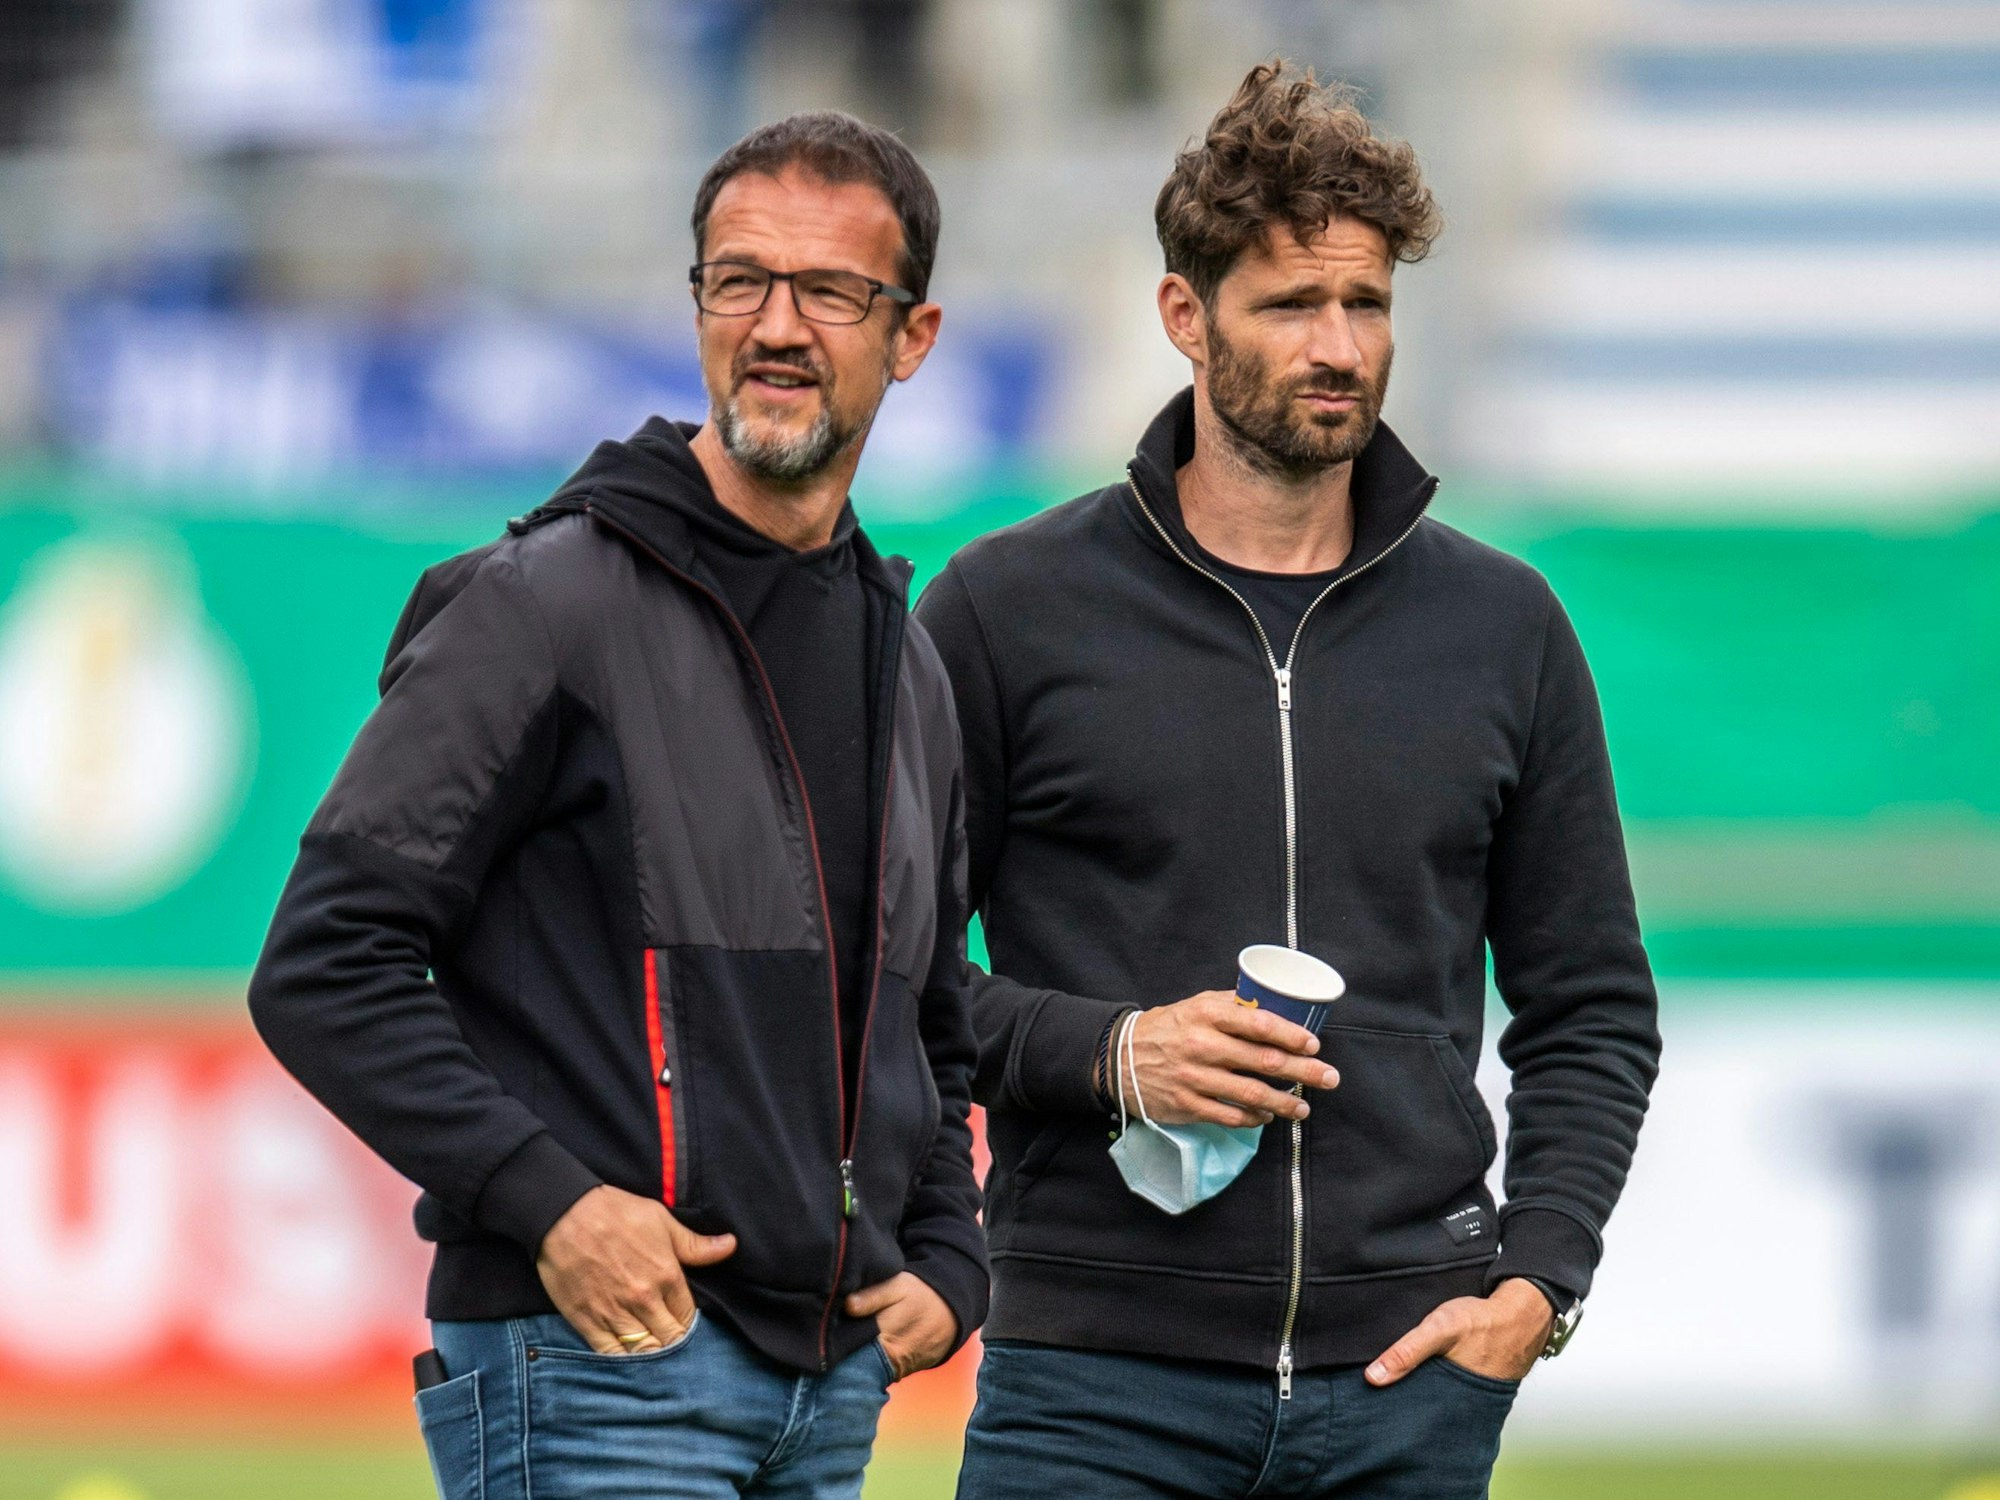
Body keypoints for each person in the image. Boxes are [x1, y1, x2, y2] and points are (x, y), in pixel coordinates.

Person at [916, 61, 1662, 1499]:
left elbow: (1594, 1007)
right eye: (1290, 305)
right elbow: (889, 979)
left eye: (1367, 303)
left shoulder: (1503, 627)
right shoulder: (1004, 612)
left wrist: (1538, 1282)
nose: (1340, 346)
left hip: (1409, 1390)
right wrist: (1111, 1051)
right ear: (1184, 318)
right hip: (1089, 1386)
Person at [249, 112, 987, 1500]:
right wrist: (556, 1205)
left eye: (830, 291)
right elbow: (320, 966)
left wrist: (951, 1255)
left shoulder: (916, 665)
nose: (775, 325)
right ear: (696, 302)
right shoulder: (542, 603)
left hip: (829, 1401)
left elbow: (929, 1028)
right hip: (595, 1367)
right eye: (737, 280)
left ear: (914, 334)